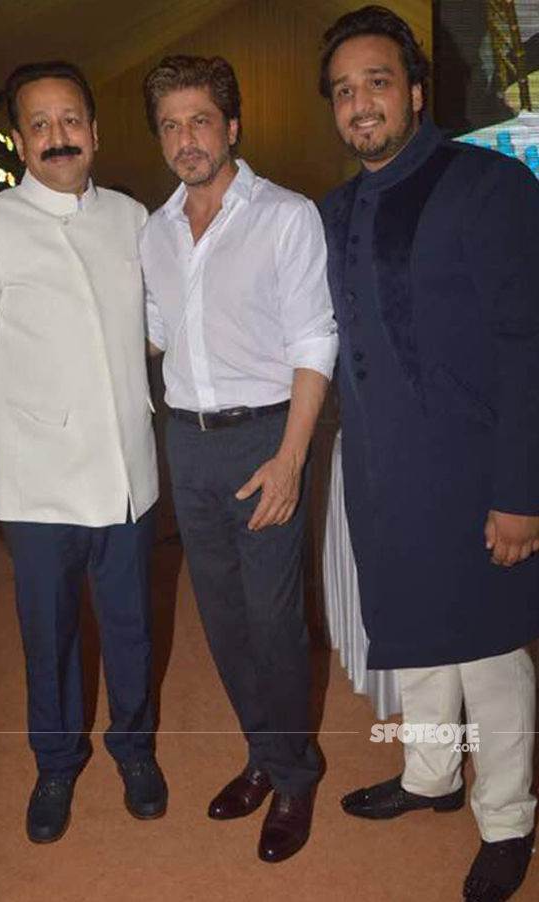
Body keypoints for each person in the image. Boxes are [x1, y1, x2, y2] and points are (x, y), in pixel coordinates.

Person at [318, 7, 539, 901]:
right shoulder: (334, 210)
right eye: (343, 90)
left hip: (478, 474)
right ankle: (430, 778)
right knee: (414, 639)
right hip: (382, 476)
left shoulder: (492, 186)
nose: (360, 103)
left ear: (414, 91)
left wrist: (523, 491)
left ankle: (509, 816)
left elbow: (530, 344)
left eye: (377, 82)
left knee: (489, 658)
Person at [0, 60, 167, 843]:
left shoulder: (135, 218)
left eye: (70, 120)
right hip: (37, 485)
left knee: (134, 626)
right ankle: (56, 762)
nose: (57, 137)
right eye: (39, 125)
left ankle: (134, 750)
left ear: (95, 131)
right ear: (19, 139)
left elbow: (155, 327)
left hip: (129, 477)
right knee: (51, 634)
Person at [140, 54, 338, 863]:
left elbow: (315, 339)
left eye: (199, 121)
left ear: (232, 127)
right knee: (221, 619)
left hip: (265, 437)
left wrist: (292, 457)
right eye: (169, 125)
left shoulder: (285, 216)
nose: (186, 140)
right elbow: (153, 335)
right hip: (186, 441)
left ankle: (294, 774)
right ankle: (265, 750)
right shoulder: (153, 232)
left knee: (273, 619)